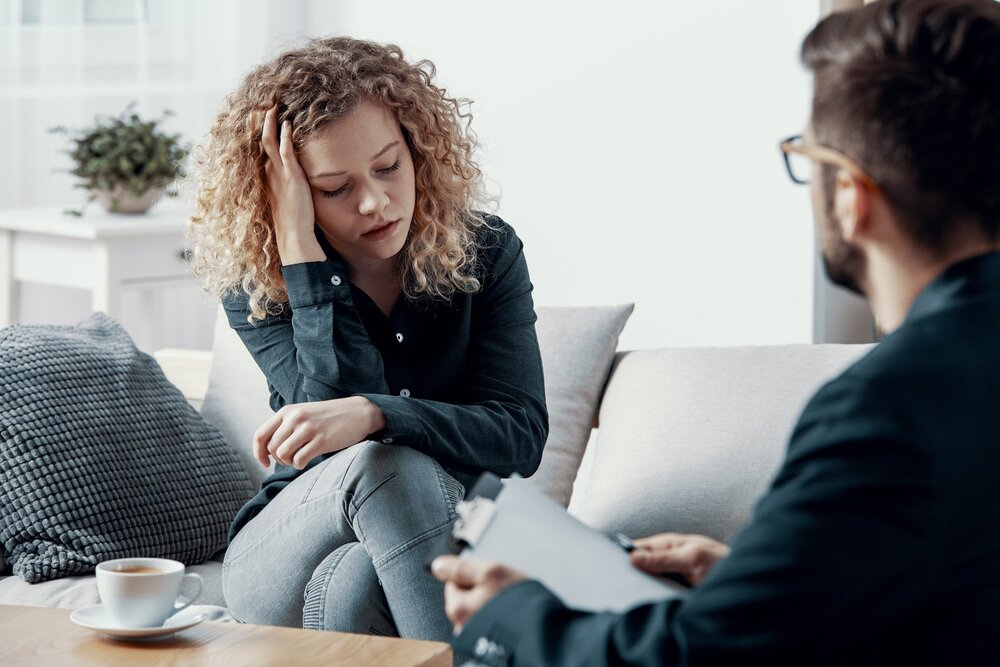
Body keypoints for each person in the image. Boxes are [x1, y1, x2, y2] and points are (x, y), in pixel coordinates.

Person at [432, 0, 1000, 663]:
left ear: (851, 195)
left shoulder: (887, 410)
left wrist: (516, 614)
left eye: (806, 156)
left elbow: (697, 658)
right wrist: (749, 580)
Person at [187, 36, 548, 641]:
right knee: (383, 464)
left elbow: (520, 436)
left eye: (388, 167)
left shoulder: (486, 251)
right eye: (334, 189)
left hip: (445, 542)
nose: (376, 202)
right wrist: (301, 252)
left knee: (358, 582)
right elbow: (335, 453)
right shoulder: (259, 285)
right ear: (288, 195)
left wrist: (375, 413)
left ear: (418, 151)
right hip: (285, 551)